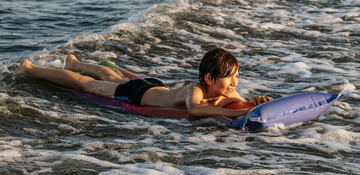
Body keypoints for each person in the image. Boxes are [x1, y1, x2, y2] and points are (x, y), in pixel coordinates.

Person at [17, 47, 272, 118]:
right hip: (136, 93)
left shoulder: (229, 91)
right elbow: (195, 109)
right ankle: (32, 68)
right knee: (86, 84)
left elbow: (242, 104)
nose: (234, 82)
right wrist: (243, 111)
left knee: (111, 75)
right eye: (230, 77)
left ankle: (75, 62)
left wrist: (255, 103)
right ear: (209, 78)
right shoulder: (195, 90)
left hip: (156, 86)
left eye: (237, 76)